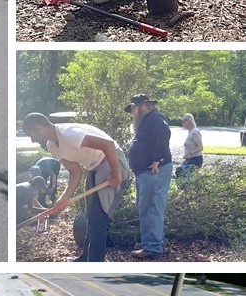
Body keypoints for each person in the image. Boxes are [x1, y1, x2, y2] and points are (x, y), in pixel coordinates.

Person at [22, 112, 129, 262]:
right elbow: (75, 171)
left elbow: (108, 145)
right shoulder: (52, 145)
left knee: (98, 218)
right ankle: (85, 257)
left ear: (39, 128)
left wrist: (116, 175)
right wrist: (63, 198)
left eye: (31, 135)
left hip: (112, 161)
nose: (32, 140)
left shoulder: (70, 134)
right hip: (94, 166)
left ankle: (94, 263)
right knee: (91, 214)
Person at [125, 94, 171, 259]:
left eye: (134, 108)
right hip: (145, 172)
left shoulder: (155, 118)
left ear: (144, 105)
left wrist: (157, 159)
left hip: (153, 171)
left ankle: (152, 247)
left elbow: (165, 132)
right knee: (146, 207)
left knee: (151, 207)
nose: (133, 112)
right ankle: (153, 241)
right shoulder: (148, 120)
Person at [177, 113, 203, 179]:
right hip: (190, 158)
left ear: (188, 121)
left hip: (195, 159)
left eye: (183, 122)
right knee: (181, 174)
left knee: (186, 178)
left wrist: (191, 153)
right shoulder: (190, 132)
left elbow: (200, 147)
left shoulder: (195, 132)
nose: (182, 124)